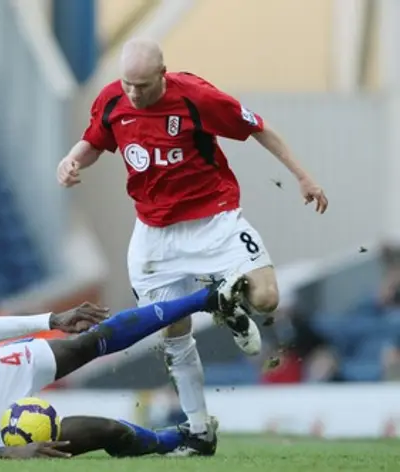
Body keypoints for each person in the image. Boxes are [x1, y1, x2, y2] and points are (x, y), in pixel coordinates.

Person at [56, 38, 328, 452]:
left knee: (268, 298)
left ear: (163, 75)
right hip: (154, 235)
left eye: (143, 85)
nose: (133, 93)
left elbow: (259, 127)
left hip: (213, 220)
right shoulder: (113, 99)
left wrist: (303, 176)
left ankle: (227, 303)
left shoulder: (198, 97)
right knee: (173, 334)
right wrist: (72, 159)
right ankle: (200, 429)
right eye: (128, 83)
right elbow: (95, 140)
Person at [0, 274, 246, 460]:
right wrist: (1, 454)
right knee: (104, 431)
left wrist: (50, 320)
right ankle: (182, 441)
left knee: (84, 343)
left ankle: (205, 300)